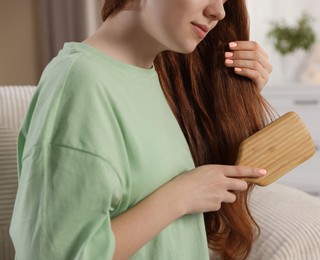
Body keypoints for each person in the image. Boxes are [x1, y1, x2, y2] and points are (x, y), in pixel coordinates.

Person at [10, 0, 273, 259]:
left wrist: (243, 92)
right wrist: (179, 197)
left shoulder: (155, 80)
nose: (219, 11)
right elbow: (52, 253)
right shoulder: (79, 84)